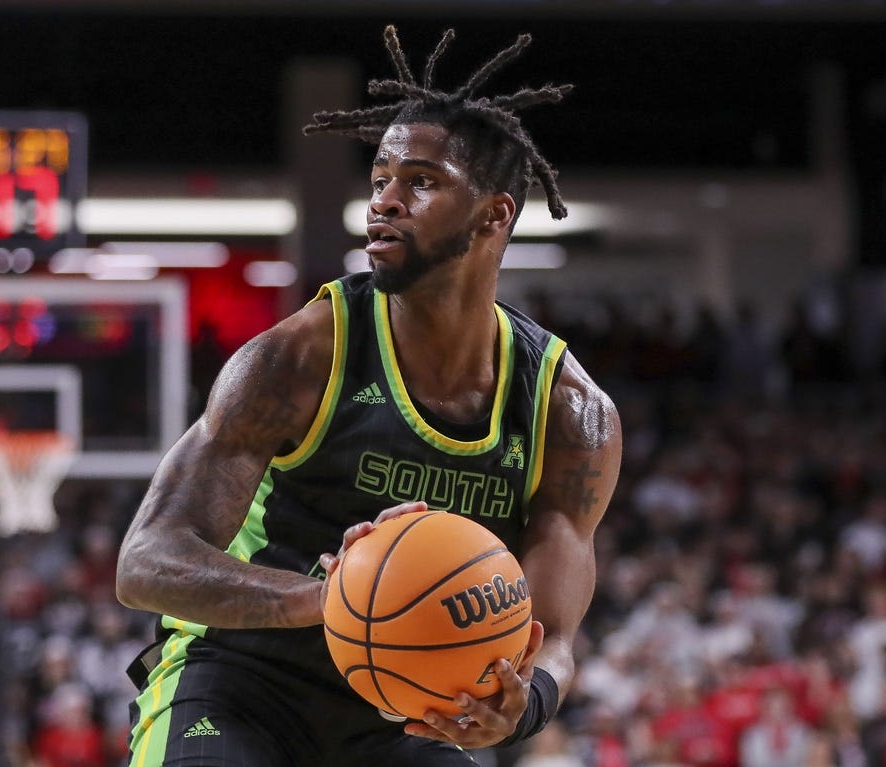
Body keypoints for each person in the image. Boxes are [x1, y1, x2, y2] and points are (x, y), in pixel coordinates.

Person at [116, 24, 622, 767]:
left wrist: (520, 705)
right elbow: (146, 561)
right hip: (240, 679)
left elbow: (554, 637)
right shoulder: (299, 355)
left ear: (495, 215)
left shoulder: (569, 411)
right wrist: (332, 599)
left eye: (421, 181)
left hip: (403, 713)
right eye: (381, 178)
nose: (385, 200)